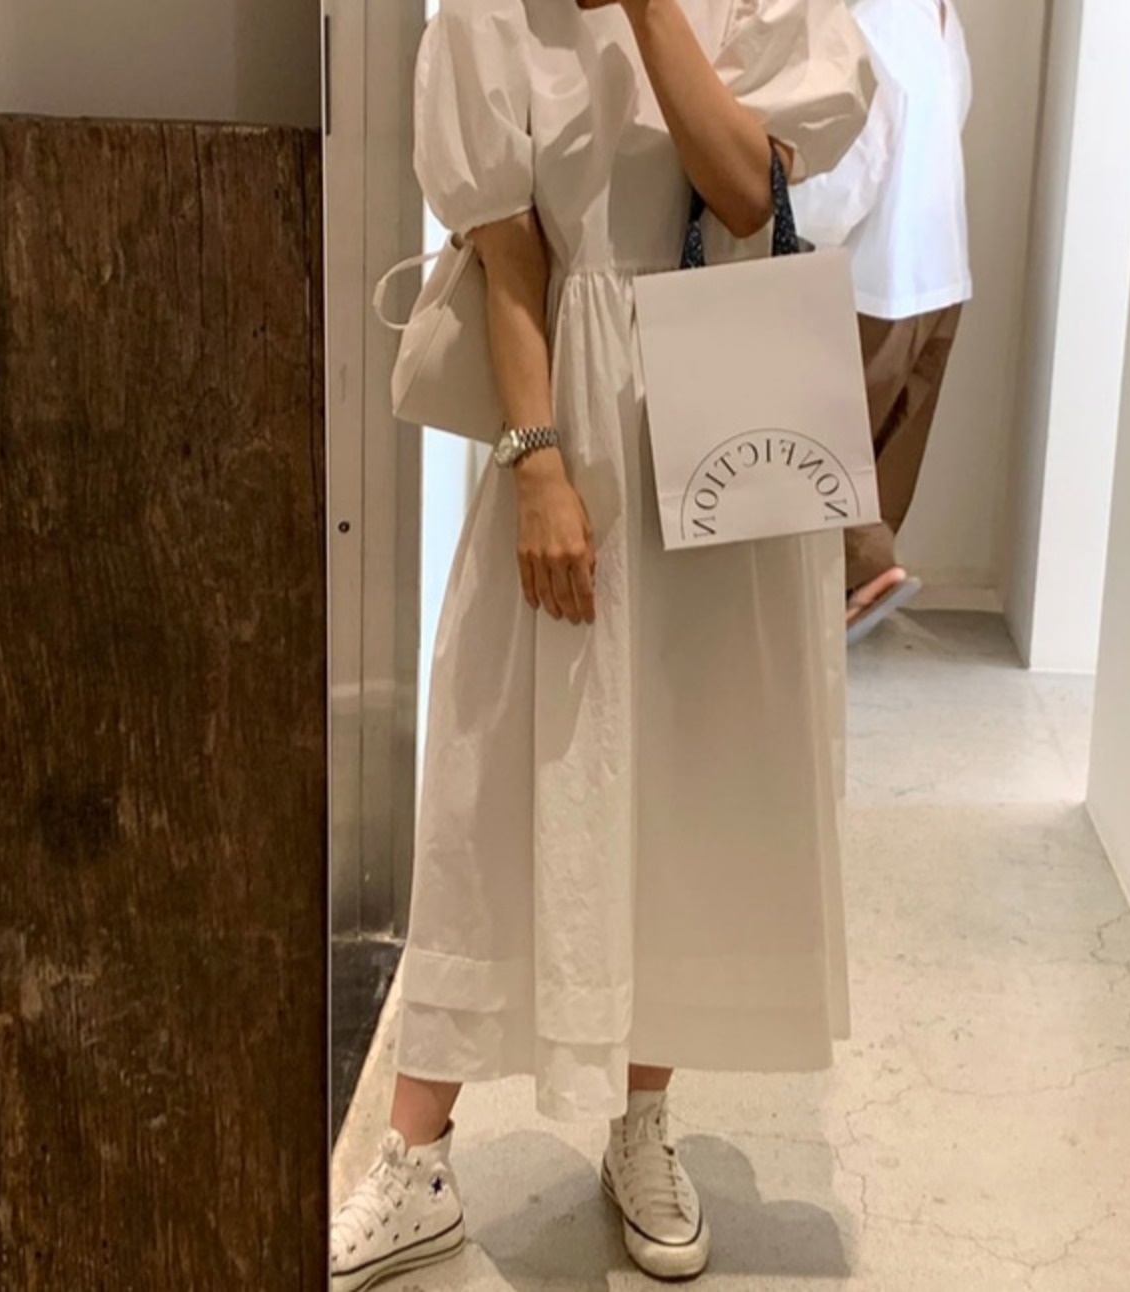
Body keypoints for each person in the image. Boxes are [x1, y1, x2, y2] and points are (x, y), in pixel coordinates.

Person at [330, 0, 873, 1287]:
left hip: (719, 426)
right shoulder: (493, 13)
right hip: (566, 408)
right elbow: (506, 249)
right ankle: (414, 1157)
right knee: (490, 773)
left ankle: (641, 1123)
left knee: (676, 774)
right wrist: (535, 462)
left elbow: (742, 193)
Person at [793, 0, 972, 644]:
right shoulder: (939, 15)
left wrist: (770, 198)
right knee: (883, 454)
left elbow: (852, 167)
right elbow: (954, 112)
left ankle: (855, 579)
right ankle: (864, 576)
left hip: (873, 276)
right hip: (940, 271)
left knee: (815, 447)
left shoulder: (871, 18)